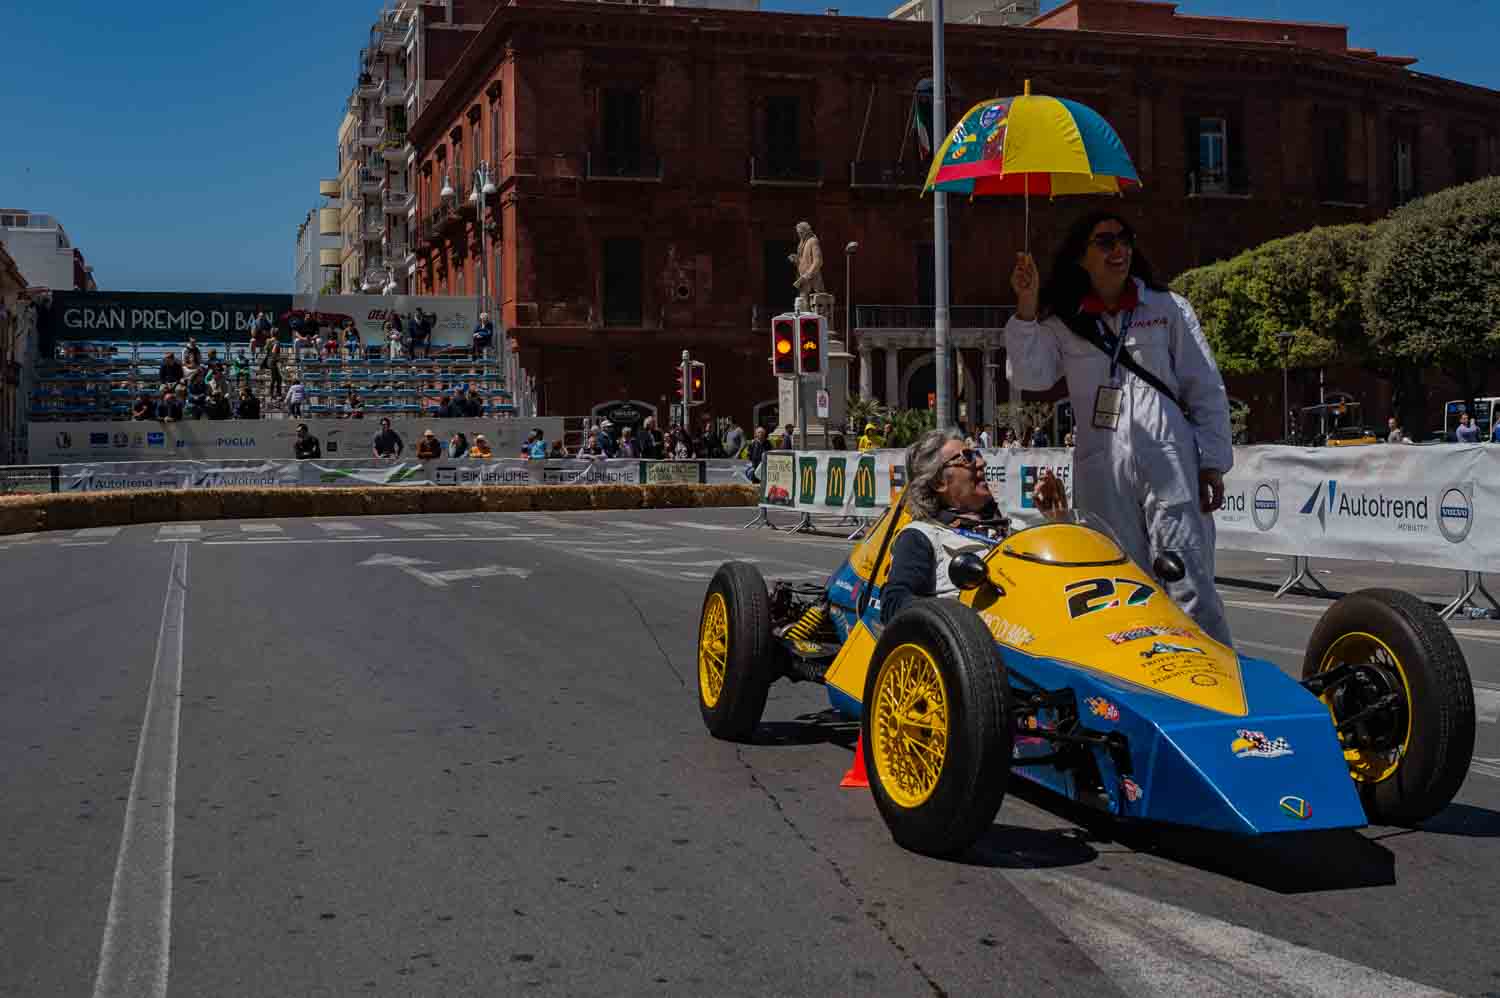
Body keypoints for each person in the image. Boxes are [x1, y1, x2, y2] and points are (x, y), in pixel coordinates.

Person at [1008, 211, 1234, 645]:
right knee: (1119, 584)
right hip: (1101, 466)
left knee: (1190, 581)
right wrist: (1027, 302)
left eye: (1125, 239)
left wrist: (1212, 462)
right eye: (1106, 241)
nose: (1120, 250)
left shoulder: (1166, 308)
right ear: (1081, 256)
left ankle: (1216, 684)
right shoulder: (1064, 323)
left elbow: (1205, 386)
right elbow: (1029, 376)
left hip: (1170, 460)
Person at [880, 430, 1008, 625]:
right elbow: (893, 603)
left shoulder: (1008, 527)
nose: (982, 463)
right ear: (940, 482)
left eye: (978, 455)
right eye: (968, 458)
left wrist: (1057, 516)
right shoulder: (921, 535)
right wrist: (951, 616)